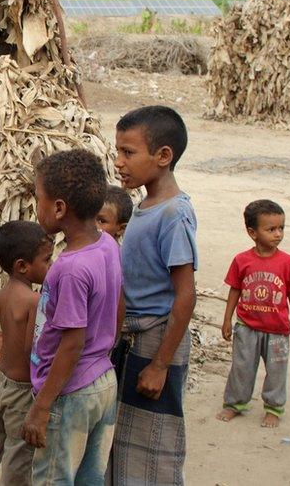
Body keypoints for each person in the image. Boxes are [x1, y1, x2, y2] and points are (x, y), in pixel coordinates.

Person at [21, 150, 121, 485]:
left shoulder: (70, 268)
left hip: (70, 392)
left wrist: (42, 406)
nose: (38, 208)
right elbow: (118, 303)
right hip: (102, 380)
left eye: (39, 199)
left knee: (53, 478)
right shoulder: (107, 244)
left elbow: (71, 343)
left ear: (60, 208)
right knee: (90, 478)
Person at [111, 106, 198, 486]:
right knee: (127, 439)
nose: (118, 162)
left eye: (128, 152)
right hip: (134, 339)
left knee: (154, 444)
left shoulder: (174, 214)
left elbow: (186, 295)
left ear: (164, 156)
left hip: (157, 340)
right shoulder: (145, 206)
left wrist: (160, 364)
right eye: (118, 151)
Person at [0, 221, 51, 486]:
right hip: (22, 392)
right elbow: (33, 350)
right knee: (18, 456)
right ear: (22, 266)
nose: (51, 265)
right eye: (47, 259)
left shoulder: (5, 292)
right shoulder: (34, 301)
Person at [216, 200, 290, 428]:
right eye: (271, 229)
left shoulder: (288, 263)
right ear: (252, 232)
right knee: (241, 367)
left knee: (276, 370)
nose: (278, 234)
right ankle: (235, 404)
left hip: (278, 330)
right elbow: (235, 289)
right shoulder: (242, 260)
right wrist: (227, 319)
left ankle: (273, 407)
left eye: (281, 228)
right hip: (247, 326)